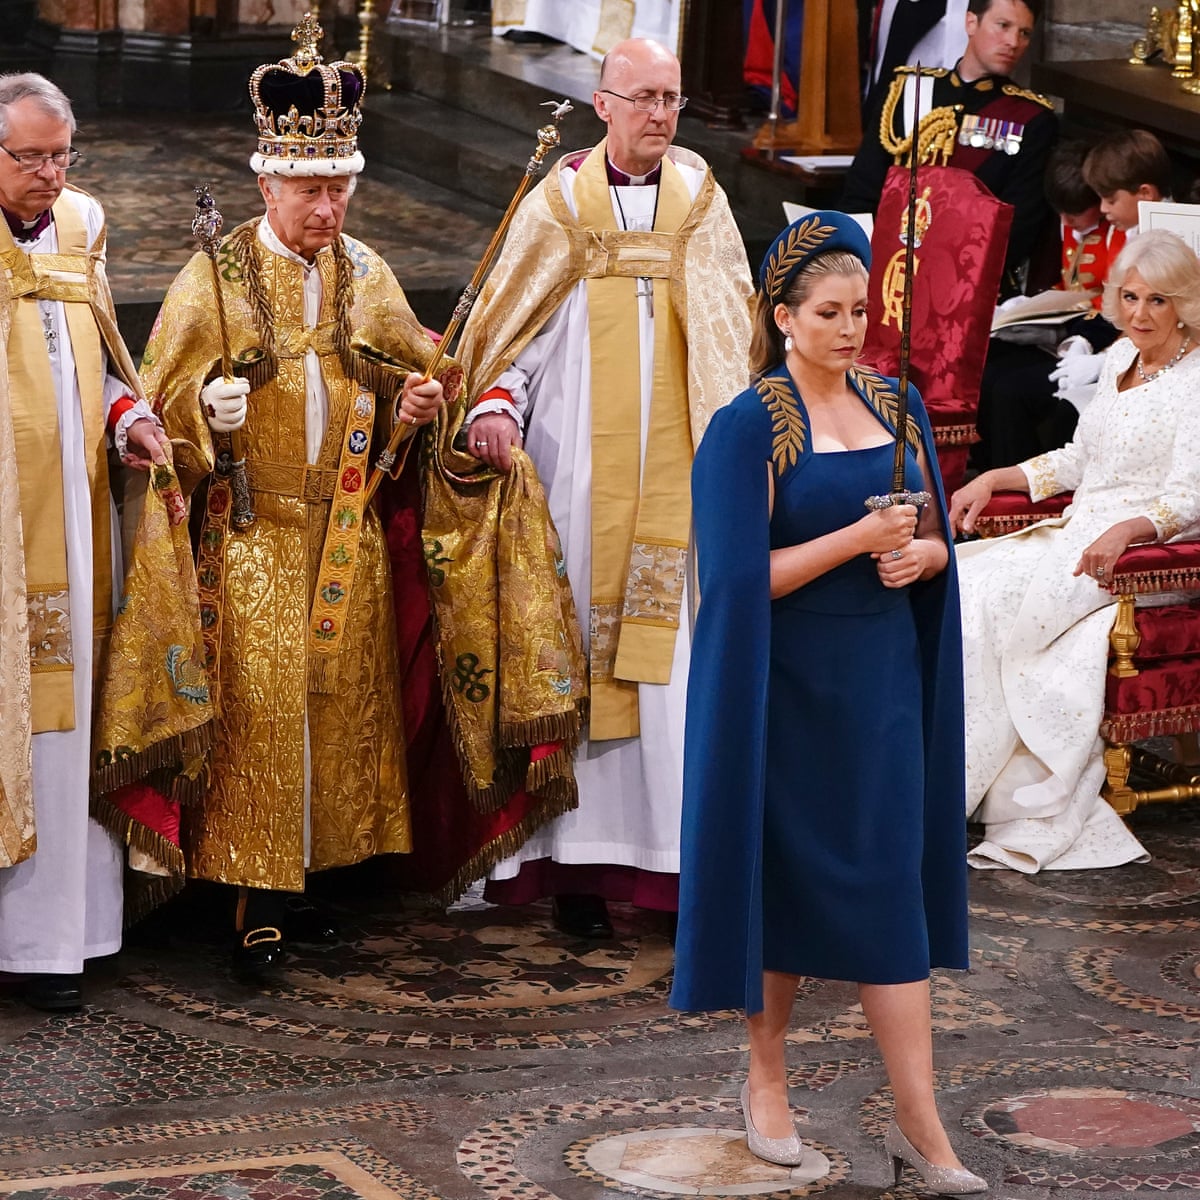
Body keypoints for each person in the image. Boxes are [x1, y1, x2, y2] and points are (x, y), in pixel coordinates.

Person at [672, 212, 981, 1194]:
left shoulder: (899, 403)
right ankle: (765, 1081)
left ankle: (920, 1125)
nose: (850, 330)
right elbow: (734, 581)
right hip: (787, 695)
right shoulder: (747, 426)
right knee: (787, 886)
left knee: (891, 886)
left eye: (859, 311)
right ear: (784, 317)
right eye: (829, 314)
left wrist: (921, 555)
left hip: (880, 688)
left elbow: (936, 543)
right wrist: (856, 541)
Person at [142, 18, 450, 977]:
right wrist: (206, 412)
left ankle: (310, 873)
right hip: (252, 529)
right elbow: (158, 399)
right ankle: (251, 895)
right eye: (310, 189)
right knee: (264, 711)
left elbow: (412, 364)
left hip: (343, 525)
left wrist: (417, 403)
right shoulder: (218, 276)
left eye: (340, 187)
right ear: (267, 186)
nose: (328, 207)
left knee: (335, 709)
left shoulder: (367, 270)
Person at [458, 36, 754, 938]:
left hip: (678, 482)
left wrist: (735, 449)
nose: (661, 115)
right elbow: (513, 327)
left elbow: (730, 329)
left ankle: (673, 864)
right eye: (644, 98)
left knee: (672, 668)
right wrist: (496, 402)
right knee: (577, 653)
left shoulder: (700, 200)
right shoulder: (558, 204)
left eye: (671, 98)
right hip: (576, 477)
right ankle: (573, 872)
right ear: (602, 104)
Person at [950, 229, 1200, 873]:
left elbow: (1189, 498)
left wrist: (1128, 531)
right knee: (962, 586)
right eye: (1131, 297)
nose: (1140, 313)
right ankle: (949, 778)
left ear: (1184, 305)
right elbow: (1075, 461)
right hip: (1075, 537)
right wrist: (994, 477)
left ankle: (989, 789)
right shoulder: (1119, 359)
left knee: (995, 601)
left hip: (1142, 564)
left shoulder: (1196, 382)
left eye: (1158, 300)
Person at [0, 72, 170, 1011]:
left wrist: (127, 416)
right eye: (29, 157)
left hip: (74, 523)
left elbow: (97, 359)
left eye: (61, 155)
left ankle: (59, 938)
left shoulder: (83, 224)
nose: (50, 174)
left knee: (69, 726)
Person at [842, 0, 1057, 293]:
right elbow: (861, 194)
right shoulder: (906, 92)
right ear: (971, 22)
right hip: (882, 271)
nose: (1013, 42)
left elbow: (1018, 228)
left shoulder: (1032, 119)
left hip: (964, 284)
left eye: (1024, 33)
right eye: (1003, 26)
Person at [971, 137, 1132, 471]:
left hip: (1096, 338)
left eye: (1075, 213)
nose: (1067, 221)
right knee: (987, 366)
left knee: (1011, 391)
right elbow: (1069, 285)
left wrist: (1085, 341)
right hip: (1065, 328)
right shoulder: (1071, 221)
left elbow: (1111, 305)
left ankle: (1021, 478)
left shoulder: (1117, 232)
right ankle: (989, 469)